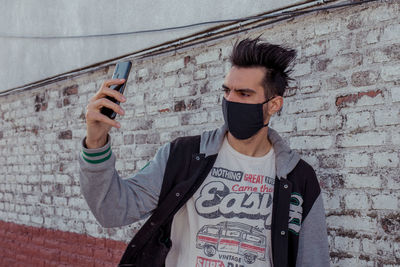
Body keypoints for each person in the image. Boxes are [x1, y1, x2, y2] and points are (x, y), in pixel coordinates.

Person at [79, 37, 330, 267]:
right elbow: (111, 210)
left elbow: (313, 260)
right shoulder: (182, 157)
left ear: (273, 105)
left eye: (244, 94)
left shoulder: (299, 178)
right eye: (227, 91)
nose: (230, 100)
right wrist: (96, 141)